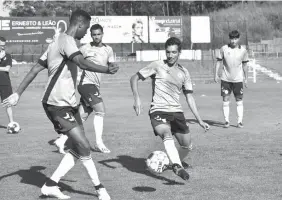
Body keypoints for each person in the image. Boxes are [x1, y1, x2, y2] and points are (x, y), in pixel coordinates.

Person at [3, 10, 119, 200]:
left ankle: (50, 185)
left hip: (68, 104)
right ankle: (100, 189)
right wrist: (106, 69)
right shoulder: (67, 41)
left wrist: (18, 93)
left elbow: (35, 69)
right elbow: (81, 62)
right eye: (87, 28)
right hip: (56, 104)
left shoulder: (56, 42)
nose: (87, 33)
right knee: (83, 144)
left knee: (79, 146)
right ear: (79, 24)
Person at [130, 37, 210, 181]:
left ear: (179, 53)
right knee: (166, 134)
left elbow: (189, 97)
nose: (170, 55)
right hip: (158, 110)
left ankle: (171, 161)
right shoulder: (157, 65)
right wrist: (136, 97)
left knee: (187, 145)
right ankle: (177, 166)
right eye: (168, 52)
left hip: (176, 112)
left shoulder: (184, 72)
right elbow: (134, 78)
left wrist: (199, 120)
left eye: (174, 52)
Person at [54, 24, 115, 154]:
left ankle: (62, 140)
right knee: (100, 110)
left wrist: (113, 67)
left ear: (102, 34)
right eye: (94, 34)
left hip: (95, 85)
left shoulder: (108, 49)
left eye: (98, 34)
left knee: (81, 117)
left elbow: (111, 65)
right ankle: (99, 143)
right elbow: (72, 58)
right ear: (91, 35)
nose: (96, 37)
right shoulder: (84, 48)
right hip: (85, 84)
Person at [214, 30, 249, 128]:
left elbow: (245, 65)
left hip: (238, 80)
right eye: (232, 39)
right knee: (225, 99)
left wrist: (246, 79)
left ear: (238, 38)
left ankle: (240, 121)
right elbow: (218, 62)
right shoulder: (224, 49)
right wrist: (216, 74)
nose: (233, 41)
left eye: (235, 39)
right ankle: (226, 121)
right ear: (229, 39)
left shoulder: (243, 50)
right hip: (225, 79)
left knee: (239, 100)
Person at [0, 37, 16, 129]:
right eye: (0, 45)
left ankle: (11, 122)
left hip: (5, 83)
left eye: (3, 45)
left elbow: (7, 69)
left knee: (8, 104)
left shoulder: (8, 56)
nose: (2, 47)